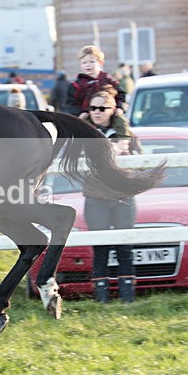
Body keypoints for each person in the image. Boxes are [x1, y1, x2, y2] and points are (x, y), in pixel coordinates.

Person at [80, 88, 140, 303]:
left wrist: (125, 152)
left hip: (122, 196)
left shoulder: (126, 133)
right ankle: (101, 298)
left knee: (125, 246)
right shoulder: (84, 132)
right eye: (93, 108)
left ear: (112, 110)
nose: (97, 112)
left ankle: (127, 298)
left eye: (102, 108)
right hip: (96, 197)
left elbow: (139, 159)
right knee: (100, 247)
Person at [64, 45, 125, 116]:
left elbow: (121, 95)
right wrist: (80, 113)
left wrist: (120, 107)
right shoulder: (76, 85)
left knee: (122, 123)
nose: (88, 65)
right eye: (84, 63)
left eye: (91, 62)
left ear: (100, 63)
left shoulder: (110, 80)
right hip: (88, 118)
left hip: (110, 116)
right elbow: (71, 104)